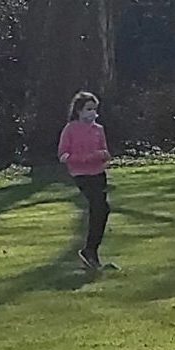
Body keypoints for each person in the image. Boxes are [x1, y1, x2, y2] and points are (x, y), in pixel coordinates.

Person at [57, 91, 113, 270]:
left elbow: (104, 152)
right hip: (81, 175)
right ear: (79, 111)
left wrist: (101, 156)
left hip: (98, 173)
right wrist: (83, 158)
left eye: (94, 109)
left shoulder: (99, 130)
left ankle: (91, 250)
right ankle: (90, 251)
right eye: (88, 109)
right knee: (97, 205)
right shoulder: (70, 129)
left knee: (103, 209)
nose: (92, 113)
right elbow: (64, 154)